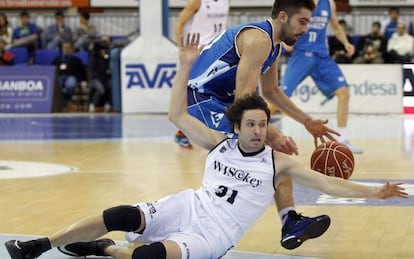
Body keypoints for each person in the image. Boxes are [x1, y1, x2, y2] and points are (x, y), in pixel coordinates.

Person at [4, 34, 408, 259]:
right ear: (237, 125)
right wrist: (183, 67)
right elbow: (177, 116)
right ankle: (40, 245)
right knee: (120, 212)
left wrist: (376, 191)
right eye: (251, 124)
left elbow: (327, 182)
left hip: (213, 236)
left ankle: (101, 248)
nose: (256, 131)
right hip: (190, 206)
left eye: (262, 125)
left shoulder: (277, 162)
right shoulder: (219, 143)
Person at [174, 0, 344, 251]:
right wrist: (273, 134)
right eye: (303, 22)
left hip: (220, 101)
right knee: (259, 148)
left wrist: (308, 122)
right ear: (284, 17)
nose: (306, 29)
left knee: (273, 152)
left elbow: (272, 91)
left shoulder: (272, 45)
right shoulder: (259, 40)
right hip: (199, 99)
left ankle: (289, 221)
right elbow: (244, 100)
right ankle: (209, 223)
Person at [281, 0, 363, 154]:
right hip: (301, 54)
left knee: (344, 92)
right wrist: (286, 39)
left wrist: (346, 43)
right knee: (278, 97)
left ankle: (342, 140)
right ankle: (255, 128)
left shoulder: (329, 3)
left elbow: (336, 26)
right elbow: (285, 21)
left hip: (321, 56)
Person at [174, 0, 230, 148]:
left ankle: (221, 130)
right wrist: (181, 48)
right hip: (197, 52)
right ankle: (182, 131)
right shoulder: (197, 2)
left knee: (219, 91)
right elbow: (179, 24)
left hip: (218, 52)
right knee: (191, 93)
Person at [52, 40, 87, 110]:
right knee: (57, 87)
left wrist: (83, 80)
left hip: (71, 77)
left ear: (72, 49)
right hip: (59, 77)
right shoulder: (57, 60)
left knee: (70, 85)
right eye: (64, 48)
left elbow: (82, 72)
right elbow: (52, 71)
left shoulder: (77, 60)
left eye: (68, 48)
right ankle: (63, 104)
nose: (66, 49)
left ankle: (65, 102)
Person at [88, 35, 112, 112]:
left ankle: (108, 103)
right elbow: (92, 65)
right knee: (101, 89)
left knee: (113, 86)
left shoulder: (110, 53)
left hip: (106, 78)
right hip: (95, 79)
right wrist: (94, 52)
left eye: (105, 42)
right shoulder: (94, 54)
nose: (103, 44)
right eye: (102, 42)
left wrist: (105, 55)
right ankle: (93, 104)